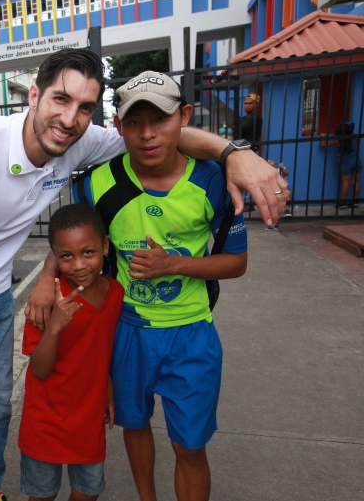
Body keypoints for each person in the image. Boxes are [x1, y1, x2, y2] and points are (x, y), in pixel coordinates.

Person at [0, 49, 286, 501]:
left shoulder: (80, 141)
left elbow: (162, 136)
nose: (70, 118)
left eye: (85, 107)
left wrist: (234, 154)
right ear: (34, 96)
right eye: (61, 100)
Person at [28, 71, 249, 501]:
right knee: (134, 425)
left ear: (183, 116)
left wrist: (176, 265)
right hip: (127, 331)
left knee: (190, 446)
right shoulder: (95, 184)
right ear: (118, 125)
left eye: (161, 120)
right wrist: (44, 274)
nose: (147, 134)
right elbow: (74, 239)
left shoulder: (215, 182)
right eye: (134, 122)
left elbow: (236, 263)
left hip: (191, 332)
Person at [19, 204, 124, 501]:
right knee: (42, 496)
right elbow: (39, 370)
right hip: (45, 422)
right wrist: (54, 327)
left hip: (88, 420)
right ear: (54, 255)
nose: (78, 265)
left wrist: (108, 389)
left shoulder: (115, 293)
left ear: (105, 246)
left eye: (87, 252)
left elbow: (101, 348)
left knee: (87, 493)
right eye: (66, 256)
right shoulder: (46, 301)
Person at [320, 121, 361, 209]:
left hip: (345, 163)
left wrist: (323, 137)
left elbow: (323, 146)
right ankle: (355, 201)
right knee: (355, 181)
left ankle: (343, 202)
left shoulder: (338, 141)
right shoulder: (354, 139)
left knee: (346, 183)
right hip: (357, 162)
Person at [266, 159, 292, 228]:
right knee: (275, 205)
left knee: (288, 193)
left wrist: (282, 167)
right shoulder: (266, 171)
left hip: (283, 187)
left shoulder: (279, 169)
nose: (270, 162)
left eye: (271, 161)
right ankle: (274, 224)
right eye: (268, 162)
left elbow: (286, 173)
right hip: (273, 189)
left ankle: (287, 210)